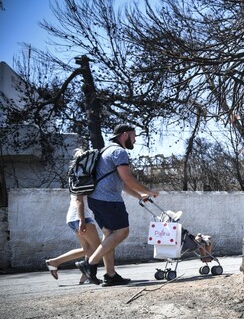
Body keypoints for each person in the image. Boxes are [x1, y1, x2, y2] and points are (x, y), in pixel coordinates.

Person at [76, 123, 159, 286]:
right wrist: (148, 191)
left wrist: (139, 195)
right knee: (122, 232)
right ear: (125, 135)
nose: (134, 140)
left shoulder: (106, 151)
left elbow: (122, 183)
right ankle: (90, 263)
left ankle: (110, 274)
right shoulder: (119, 152)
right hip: (108, 200)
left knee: (109, 236)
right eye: (134, 136)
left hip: (97, 199)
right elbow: (128, 178)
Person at [45, 193, 102, 284]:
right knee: (98, 248)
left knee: (87, 249)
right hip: (82, 217)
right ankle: (87, 273)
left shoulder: (76, 180)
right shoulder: (81, 179)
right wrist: (82, 220)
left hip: (75, 217)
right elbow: (79, 199)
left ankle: (55, 262)